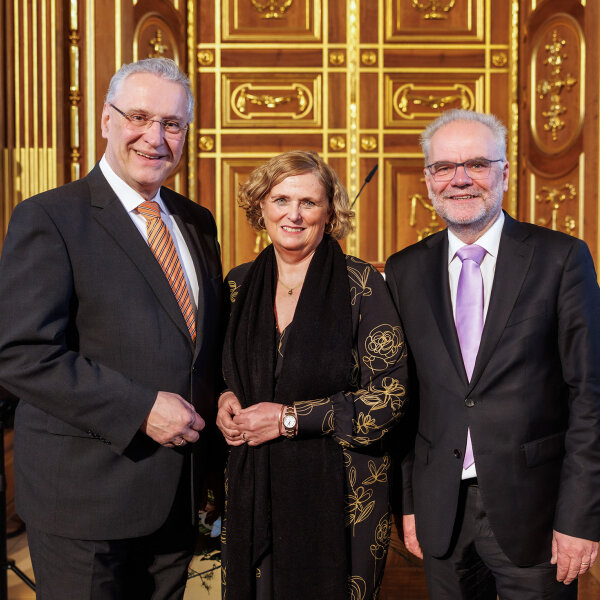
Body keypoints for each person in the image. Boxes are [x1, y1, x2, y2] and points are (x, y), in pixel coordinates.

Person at [0, 58, 223, 598]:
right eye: (140, 117)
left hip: (176, 494)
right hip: (85, 499)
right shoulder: (50, 217)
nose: (155, 137)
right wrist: (142, 408)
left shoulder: (196, 221)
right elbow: (23, 354)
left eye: (172, 124)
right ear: (105, 120)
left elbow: (198, 343)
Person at [385, 108, 600, 599]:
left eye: (477, 164)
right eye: (445, 167)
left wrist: (581, 518)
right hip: (443, 513)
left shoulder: (561, 259)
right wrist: (411, 503)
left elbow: (590, 395)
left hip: (538, 516)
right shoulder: (404, 271)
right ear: (428, 179)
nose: (460, 180)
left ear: (504, 172)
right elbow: (406, 399)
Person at [216, 150, 409, 599]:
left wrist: (288, 419)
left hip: (343, 494)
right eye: (281, 199)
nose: (294, 214)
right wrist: (225, 399)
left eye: (309, 202)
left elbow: (390, 397)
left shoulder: (362, 284)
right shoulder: (237, 284)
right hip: (254, 485)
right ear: (260, 206)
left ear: (330, 212)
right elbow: (224, 373)